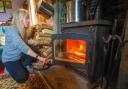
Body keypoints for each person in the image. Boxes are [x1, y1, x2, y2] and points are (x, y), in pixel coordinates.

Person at [2, 9, 48, 83]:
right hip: (10, 60)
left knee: (35, 50)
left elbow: (26, 44)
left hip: (19, 55)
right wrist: (40, 58)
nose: (29, 20)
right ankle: (8, 69)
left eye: (29, 18)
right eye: (27, 18)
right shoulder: (12, 30)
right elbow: (23, 47)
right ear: (20, 19)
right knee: (23, 78)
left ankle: (21, 66)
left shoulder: (22, 30)